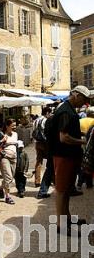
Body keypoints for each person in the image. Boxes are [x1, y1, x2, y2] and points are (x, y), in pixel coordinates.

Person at [48, 86, 90, 235]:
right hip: (63, 155)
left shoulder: (69, 109)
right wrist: (82, 141)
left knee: (66, 190)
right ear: (76, 95)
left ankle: (68, 218)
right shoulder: (66, 111)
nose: (84, 103)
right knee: (61, 191)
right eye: (84, 100)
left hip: (67, 156)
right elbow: (63, 137)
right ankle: (61, 225)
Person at [0, 119, 18, 204]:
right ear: (7, 126)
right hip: (4, 157)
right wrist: (1, 141)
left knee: (11, 177)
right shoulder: (0, 134)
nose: (14, 127)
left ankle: (1, 188)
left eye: (15, 125)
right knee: (8, 177)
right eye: (13, 125)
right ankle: (8, 196)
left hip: (14, 157)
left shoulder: (15, 134)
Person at [33, 108, 52, 187]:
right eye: (50, 113)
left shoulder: (36, 120)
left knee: (39, 161)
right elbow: (47, 132)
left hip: (37, 142)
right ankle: (50, 179)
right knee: (50, 161)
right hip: (45, 143)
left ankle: (37, 181)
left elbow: (33, 131)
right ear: (47, 112)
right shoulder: (46, 120)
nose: (50, 115)